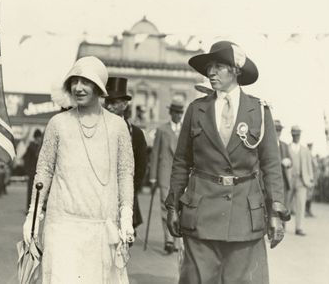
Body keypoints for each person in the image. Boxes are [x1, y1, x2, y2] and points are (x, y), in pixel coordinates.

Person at [166, 41, 289, 284]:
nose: (210, 72)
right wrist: (172, 206)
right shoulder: (196, 109)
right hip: (200, 214)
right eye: (209, 67)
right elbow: (181, 161)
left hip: (245, 216)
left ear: (236, 70)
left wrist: (275, 211)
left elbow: (271, 165)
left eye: (219, 66)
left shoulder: (258, 111)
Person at [22, 56, 135, 283]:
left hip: (101, 227)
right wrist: (33, 216)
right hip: (62, 225)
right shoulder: (58, 124)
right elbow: (43, 170)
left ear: (99, 86)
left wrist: (126, 215)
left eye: (86, 82)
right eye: (74, 81)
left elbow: (125, 173)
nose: (79, 88)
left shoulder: (117, 126)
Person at [104, 77, 148, 234]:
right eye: (107, 101)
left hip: (125, 198)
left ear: (124, 104)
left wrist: (130, 191)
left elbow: (141, 166)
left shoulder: (135, 133)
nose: (109, 106)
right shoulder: (96, 129)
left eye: (114, 102)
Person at [149, 97, 184, 254]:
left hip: (181, 176)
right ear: (170, 113)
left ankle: (177, 239)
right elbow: (155, 153)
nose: (178, 115)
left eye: (180, 112)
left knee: (180, 207)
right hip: (164, 174)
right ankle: (168, 240)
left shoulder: (185, 130)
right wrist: (152, 176)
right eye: (175, 112)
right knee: (166, 206)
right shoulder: (162, 130)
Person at [287, 126, 314, 236]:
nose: (296, 136)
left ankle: (299, 227)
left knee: (301, 204)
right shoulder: (287, 148)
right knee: (286, 203)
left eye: (298, 134)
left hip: (302, 180)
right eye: (294, 134)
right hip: (289, 179)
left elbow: (309, 165)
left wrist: (311, 178)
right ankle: (282, 225)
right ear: (291, 135)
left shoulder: (305, 150)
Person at [23, 129, 43, 210]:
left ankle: (36, 207)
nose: (39, 139)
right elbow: (26, 160)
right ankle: (29, 207)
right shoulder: (31, 146)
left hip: (39, 172)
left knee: (38, 191)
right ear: (36, 138)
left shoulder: (40, 147)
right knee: (31, 191)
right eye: (38, 138)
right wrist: (28, 171)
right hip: (32, 172)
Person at [275, 120, 292, 208]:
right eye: (276, 129)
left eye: (279, 129)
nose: (278, 132)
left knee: (284, 205)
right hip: (272, 180)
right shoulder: (267, 145)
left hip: (284, 180)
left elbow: (290, 161)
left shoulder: (284, 145)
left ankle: (283, 222)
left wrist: (288, 162)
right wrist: (281, 161)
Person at [306, 142, 318, 217]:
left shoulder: (312, 156)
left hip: (312, 177)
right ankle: (307, 210)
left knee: (310, 195)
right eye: (309, 146)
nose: (310, 148)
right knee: (308, 195)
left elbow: (316, 167)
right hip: (309, 178)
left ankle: (308, 210)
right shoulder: (308, 155)